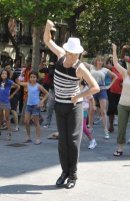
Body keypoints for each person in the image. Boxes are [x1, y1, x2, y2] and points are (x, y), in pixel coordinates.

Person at [43, 19, 99, 189]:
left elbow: (95, 87)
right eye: (71, 53)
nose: (73, 56)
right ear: (66, 50)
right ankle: (64, 172)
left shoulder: (80, 68)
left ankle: (73, 175)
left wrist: (79, 95)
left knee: (73, 142)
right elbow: (47, 40)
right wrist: (47, 27)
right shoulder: (60, 56)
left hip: (74, 107)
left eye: (76, 54)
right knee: (62, 142)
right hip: (60, 106)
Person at [82, 54, 117, 139]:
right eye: (99, 60)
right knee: (91, 110)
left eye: (102, 61)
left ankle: (105, 130)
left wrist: (109, 86)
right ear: (96, 61)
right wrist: (82, 55)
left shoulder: (105, 70)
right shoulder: (91, 67)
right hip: (92, 90)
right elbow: (81, 62)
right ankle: (90, 127)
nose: (100, 62)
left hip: (102, 90)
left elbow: (115, 76)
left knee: (103, 111)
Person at [19, 71, 49, 145]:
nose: (32, 78)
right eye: (31, 77)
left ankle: (38, 138)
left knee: (36, 123)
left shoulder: (38, 86)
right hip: (28, 105)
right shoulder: (27, 84)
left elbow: (47, 93)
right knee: (26, 121)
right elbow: (19, 83)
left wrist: (41, 101)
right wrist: (21, 74)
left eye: (34, 77)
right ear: (29, 78)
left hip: (36, 106)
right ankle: (28, 137)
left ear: (37, 78)